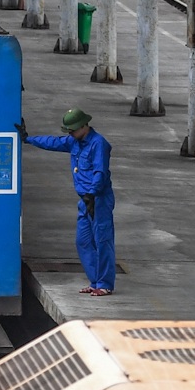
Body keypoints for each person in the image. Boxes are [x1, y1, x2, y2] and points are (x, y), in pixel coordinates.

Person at [22, 108, 115, 296]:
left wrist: (92, 193)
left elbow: (100, 172)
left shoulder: (99, 144)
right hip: (85, 200)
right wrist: (27, 139)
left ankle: (105, 284)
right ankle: (95, 281)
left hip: (98, 199)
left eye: (72, 130)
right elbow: (53, 142)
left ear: (84, 126)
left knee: (102, 240)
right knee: (83, 241)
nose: (70, 134)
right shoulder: (75, 142)